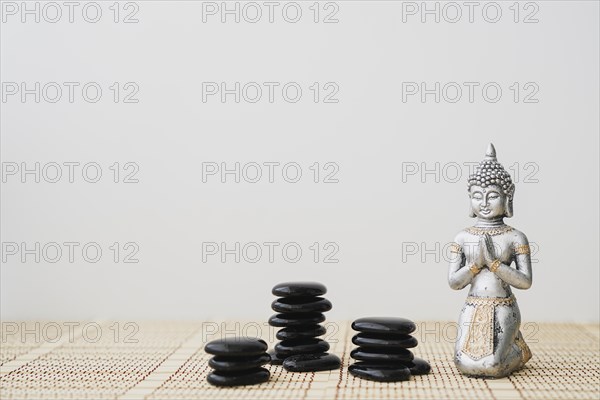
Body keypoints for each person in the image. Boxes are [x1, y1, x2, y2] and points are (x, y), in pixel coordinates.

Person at [448, 143, 532, 378]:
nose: (484, 202)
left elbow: (525, 282)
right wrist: (475, 265)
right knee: (463, 363)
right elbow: (454, 283)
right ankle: (510, 348)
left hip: (503, 306)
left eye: (492, 195)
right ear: (470, 199)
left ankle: (519, 350)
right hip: (473, 305)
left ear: (508, 197)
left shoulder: (514, 237)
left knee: (493, 366)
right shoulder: (463, 237)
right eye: (477, 195)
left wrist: (494, 264)